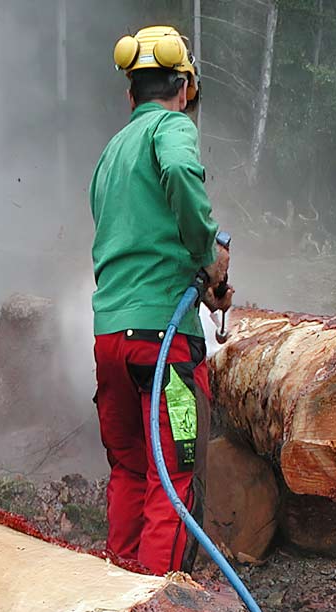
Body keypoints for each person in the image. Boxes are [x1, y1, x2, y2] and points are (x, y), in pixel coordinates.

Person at [89, 25, 233, 575]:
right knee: (171, 480)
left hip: (110, 342)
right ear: (185, 91)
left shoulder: (109, 154)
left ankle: (116, 594)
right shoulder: (171, 128)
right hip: (162, 349)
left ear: (130, 94)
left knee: (128, 469)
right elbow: (176, 170)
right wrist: (204, 252)